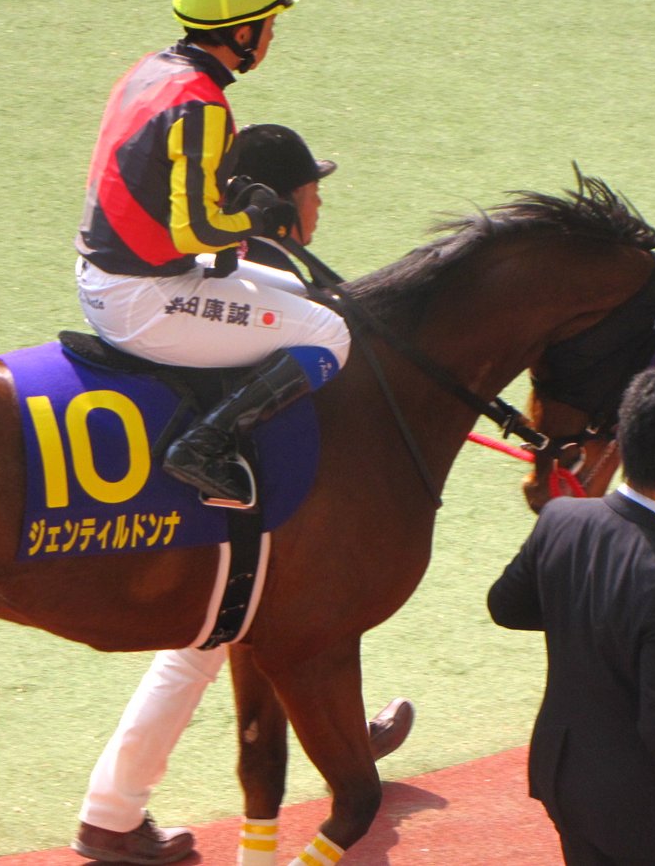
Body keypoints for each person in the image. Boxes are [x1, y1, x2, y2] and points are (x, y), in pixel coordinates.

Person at [71, 123, 416, 865]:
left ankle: (120, 805)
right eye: (313, 191)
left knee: (228, 638)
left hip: (223, 479)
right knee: (205, 647)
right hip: (219, 490)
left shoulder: (243, 261)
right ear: (283, 202)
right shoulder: (260, 273)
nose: (320, 205)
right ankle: (111, 810)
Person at [75, 0, 352, 507]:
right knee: (331, 335)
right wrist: (258, 221)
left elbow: (169, 192)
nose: (272, 35)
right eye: (269, 24)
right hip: (144, 297)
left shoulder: (153, 71)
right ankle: (202, 446)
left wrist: (232, 201)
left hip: (112, 276)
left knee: (303, 294)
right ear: (242, 34)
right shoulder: (201, 104)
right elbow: (194, 230)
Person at [488, 364, 655, 865]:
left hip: (562, 774)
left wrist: (585, 610)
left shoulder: (559, 517)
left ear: (623, 442)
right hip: (641, 808)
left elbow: (505, 606)